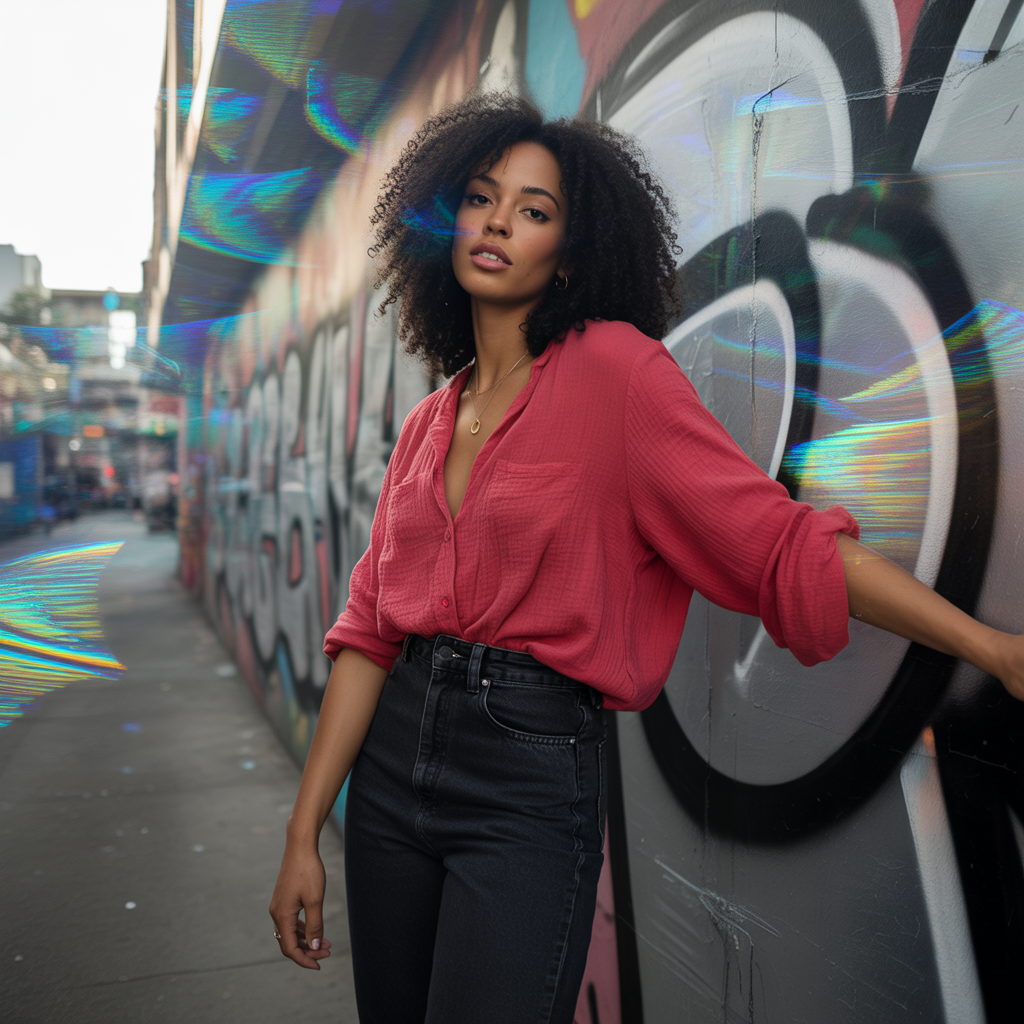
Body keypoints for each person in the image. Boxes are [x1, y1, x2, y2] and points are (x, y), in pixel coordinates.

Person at [269, 93, 1024, 1023]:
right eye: (481, 196)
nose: (500, 220)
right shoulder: (428, 423)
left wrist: (990, 648)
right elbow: (368, 635)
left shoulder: (616, 373)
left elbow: (778, 546)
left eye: (536, 210)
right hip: (390, 770)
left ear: (571, 255)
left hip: (525, 772)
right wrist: (306, 829)